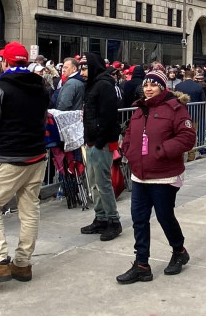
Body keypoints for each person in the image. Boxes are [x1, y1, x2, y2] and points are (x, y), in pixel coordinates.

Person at [0, 41, 49, 283]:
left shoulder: (0, 89)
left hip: (9, 158)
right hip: (36, 156)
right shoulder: (42, 87)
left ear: (5, 62)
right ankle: (23, 263)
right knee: (29, 209)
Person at [116, 71, 196, 283]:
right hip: (140, 175)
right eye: (146, 85)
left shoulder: (175, 108)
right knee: (139, 219)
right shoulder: (140, 109)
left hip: (163, 175)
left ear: (162, 86)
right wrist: (129, 150)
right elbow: (130, 135)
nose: (148, 88)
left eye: (153, 84)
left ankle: (179, 251)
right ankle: (142, 264)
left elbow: (187, 137)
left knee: (164, 216)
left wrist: (162, 150)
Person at [80, 52, 123, 240]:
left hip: (101, 142)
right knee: (94, 182)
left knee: (103, 182)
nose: (82, 71)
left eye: (85, 67)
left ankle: (113, 221)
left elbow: (108, 117)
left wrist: (98, 141)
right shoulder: (93, 85)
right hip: (93, 141)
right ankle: (101, 217)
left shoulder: (104, 85)